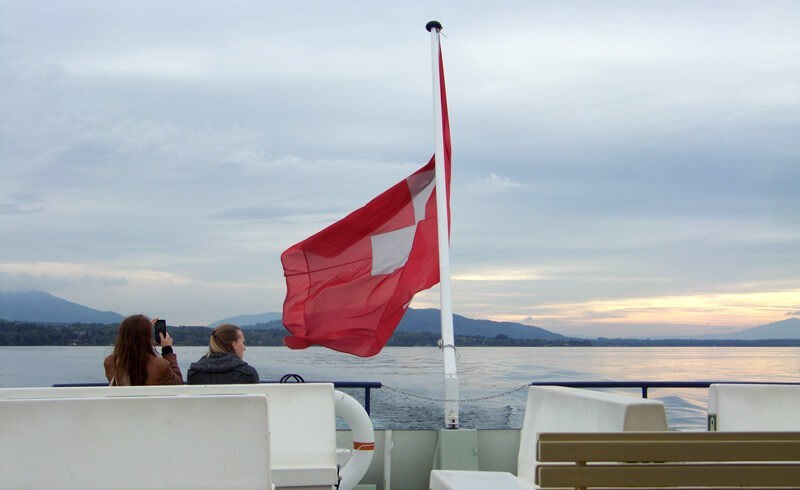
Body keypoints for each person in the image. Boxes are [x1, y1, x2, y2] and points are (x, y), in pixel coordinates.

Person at [104, 314, 183, 385]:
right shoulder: (160, 366)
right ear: (146, 338)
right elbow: (178, 384)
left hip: (123, 401)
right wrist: (167, 350)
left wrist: (139, 329)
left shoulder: (110, 363)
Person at [187, 323, 259, 384]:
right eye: (243, 343)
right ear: (234, 345)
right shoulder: (248, 374)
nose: (244, 348)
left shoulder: (194, 374)